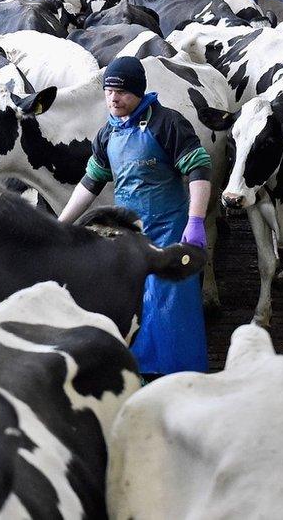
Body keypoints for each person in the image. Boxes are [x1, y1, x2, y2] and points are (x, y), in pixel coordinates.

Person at [58, 56, 210, 378]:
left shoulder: (167, 123)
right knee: (134, 305)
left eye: (122, 92)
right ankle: (137, 373)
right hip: (129, 234)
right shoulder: (106, 135)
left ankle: (179, 377)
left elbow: (199, 169)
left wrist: (195, 221)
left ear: (139, 92)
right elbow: (90, 184)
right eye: (109, 91)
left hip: (171, 230)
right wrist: (60, 225)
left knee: (170, 307)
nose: (114, 98)